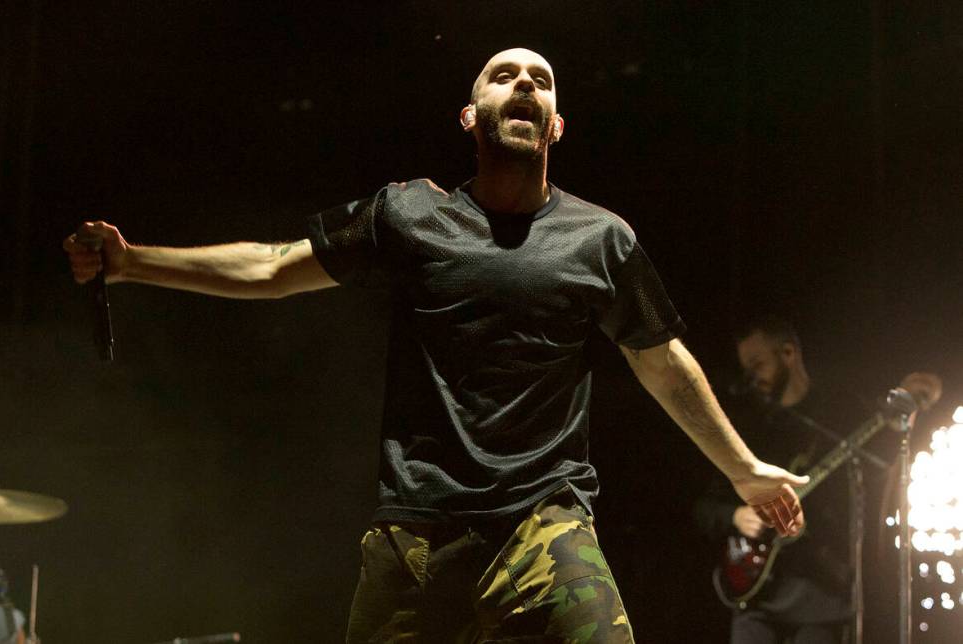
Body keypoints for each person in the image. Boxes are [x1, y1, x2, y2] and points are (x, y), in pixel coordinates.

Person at [64, 48, 809, 642]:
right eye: (503, 75)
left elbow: (659, 358)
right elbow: (271, 266)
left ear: (554, 125)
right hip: (418, 532)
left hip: (545, 523)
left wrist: (743, 470)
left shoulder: (601, 240)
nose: (524, 85)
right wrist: (134, 263)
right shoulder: (409, 213)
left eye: (540, 82)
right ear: (469, 115)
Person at [693, 315, 940, 644]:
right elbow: (703, 505)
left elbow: (883, 462)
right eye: (746, 368)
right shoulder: (748, 426)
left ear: (788, 353)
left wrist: (906, 406)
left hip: (823, 596)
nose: (751, 377)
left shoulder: (840, 411)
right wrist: (735, 515)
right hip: (757, 595)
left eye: (758, 364)